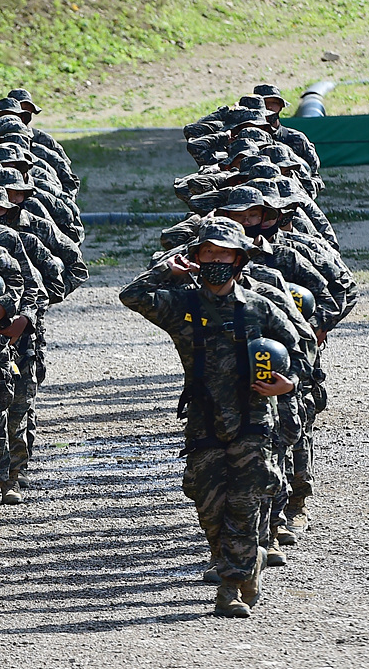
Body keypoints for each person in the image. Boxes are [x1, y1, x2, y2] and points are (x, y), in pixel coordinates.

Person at [120, 219, 300, 618]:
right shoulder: (182, 303)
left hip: (254, 419)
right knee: (208, 503)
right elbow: (131, 295)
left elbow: (298, 354)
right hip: (204, 419)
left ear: (239, 260)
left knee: (245, 501)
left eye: (224, 254)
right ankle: (238, 563)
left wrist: (288, 386)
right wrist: (168, 269)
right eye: (208, 253)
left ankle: (232, 585)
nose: (215, 260)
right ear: (196, 257)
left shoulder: (260, 307)